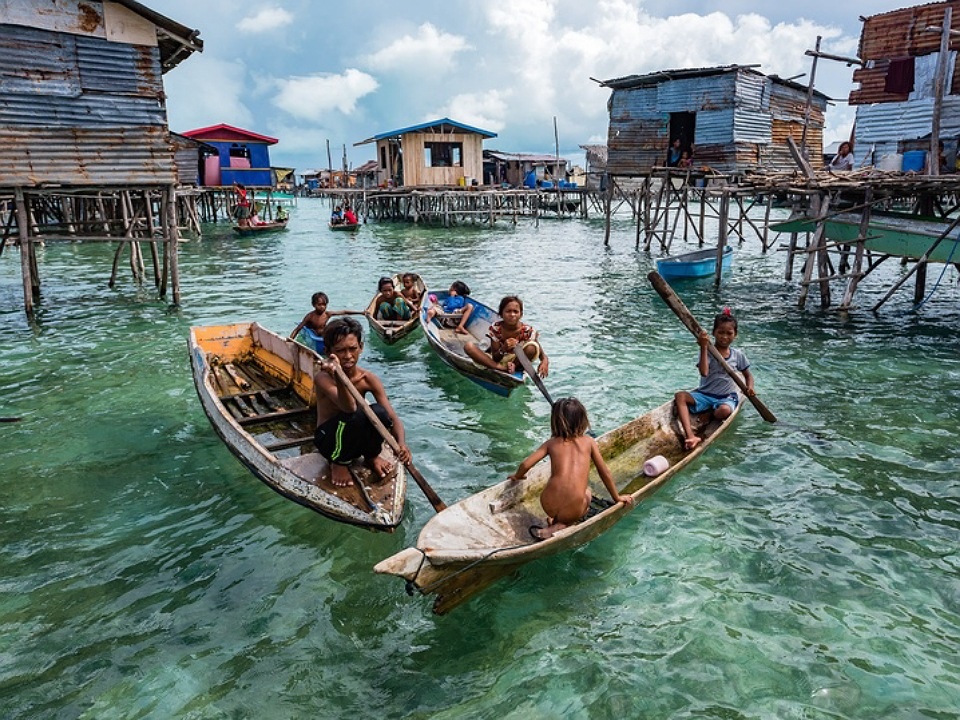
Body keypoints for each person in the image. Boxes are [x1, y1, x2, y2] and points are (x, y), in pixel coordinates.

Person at [509, 397, 634, 541]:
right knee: (587, 493)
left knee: (558, 490)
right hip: (572, 510)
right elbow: (604, 472)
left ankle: (555, 520)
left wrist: (518, 476)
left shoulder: (551, 443)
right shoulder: (589, 442)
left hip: (548, 502)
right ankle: (560, 525)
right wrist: (617, 498)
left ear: (555, 422)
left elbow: (525, 465)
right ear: (583, 421)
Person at [313, 318, 411, 488]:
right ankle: (339, 462)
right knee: (355, 414)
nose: (348, 356)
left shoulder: (368, 379)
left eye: (352, 349)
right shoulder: (323, 378)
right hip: (329, 441)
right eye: (340, 350)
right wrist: (338, 375)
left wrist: (401, 444)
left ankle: (371, 455)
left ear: (361, 347)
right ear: (328, 352)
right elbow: (348, 407)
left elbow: (392, 417)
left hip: (353, 435)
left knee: (379, 413)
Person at [674, 307, 755, 451]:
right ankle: (690, 436)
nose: (724, 337)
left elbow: (748, 375)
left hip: (726, 397)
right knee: (680, 396)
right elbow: (704, 372)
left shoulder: (737, 355)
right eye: (720, 332)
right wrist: (703, 348)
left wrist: (750, 387)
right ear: (714, 333)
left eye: (729, 333)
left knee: (724, 411)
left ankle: (711, 413)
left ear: (735, 335)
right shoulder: (708, 352)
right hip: (705, 394)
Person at [464, 295, 548, 376]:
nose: (512, 315)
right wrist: (504, 349)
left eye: (515, 312)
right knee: (468, 346)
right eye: (508, 311)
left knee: (532, 347)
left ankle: (513, 367)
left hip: (517, 361)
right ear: (501, 314)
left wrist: (544, 361)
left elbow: (540, 351)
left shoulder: (527, 330)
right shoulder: (496, 328)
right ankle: (502, 369)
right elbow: (496, 358)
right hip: (498, 361)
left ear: (521, 314)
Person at [289, 292, 360, 354]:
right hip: (315, 335)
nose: (322, 307)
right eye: (319, 304)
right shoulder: (310, 316)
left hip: (323, 334)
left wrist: (361, 313)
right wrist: (290, 340)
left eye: (324, 304)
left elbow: (344, 312)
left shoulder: (327, 314)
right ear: (314, 305)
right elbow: (298, 329)